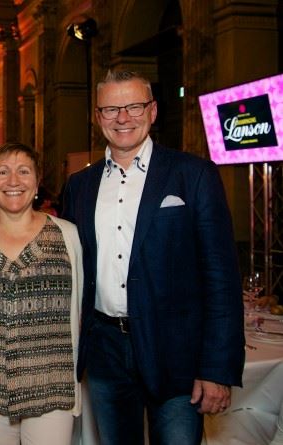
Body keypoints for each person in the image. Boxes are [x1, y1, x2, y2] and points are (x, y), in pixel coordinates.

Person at [62, 70, 244, 445]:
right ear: (97, 117)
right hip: (105, 352)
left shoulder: (193, 174)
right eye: (111, 109)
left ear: (153, 110)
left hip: (177, 353)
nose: (122, 118)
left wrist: (217, 367)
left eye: (134, 106)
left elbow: (221, 279)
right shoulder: (80, 186)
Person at [0, 142, 83, 444]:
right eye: (3, 172)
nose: (13, 180)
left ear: (37, 182)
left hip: (52, 384)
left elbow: (81, 311)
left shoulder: (67, 234)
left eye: (24, 171)